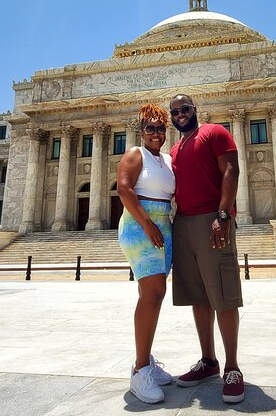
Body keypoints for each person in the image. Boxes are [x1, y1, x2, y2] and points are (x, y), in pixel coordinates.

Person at [168, 93, 245, 403]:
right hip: (183, 223)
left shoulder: (215, 132)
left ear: (195, 110)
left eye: (185, 109)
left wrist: (223, 214)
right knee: (198, 296)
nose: (180, 114)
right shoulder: (175, 148)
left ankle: (232, 368)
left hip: (212, 221)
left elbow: (231, 171)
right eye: (174, 111)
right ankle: (208, 361)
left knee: (223, 294)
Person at [117, 103, 176, 404]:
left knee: (155, 294)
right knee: (151, 294)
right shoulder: (134, 154)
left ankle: (146, 358)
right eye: (150, 128)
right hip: (141, 226)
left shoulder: (165, 159)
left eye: (161, 127)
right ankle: (140, 371)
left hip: (162, 226)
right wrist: (148, 224)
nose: (156, 133)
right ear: (141, 131)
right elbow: (124, 189)